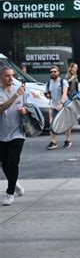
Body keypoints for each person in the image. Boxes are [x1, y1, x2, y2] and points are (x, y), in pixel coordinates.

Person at [0, 66, 27, 206]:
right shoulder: (14, 92)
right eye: (7, 76)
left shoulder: (21, 90)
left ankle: (9, 193)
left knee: (13, 162)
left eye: (12, 75)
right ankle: (14, 182)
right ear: (1, 78)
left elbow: (30, 106)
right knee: (4, 163)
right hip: (2, 134)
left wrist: (25, 110)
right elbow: (1, 108)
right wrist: (16, 95)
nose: (11, 78)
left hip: (18, 132)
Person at [45, 65, 70, 150]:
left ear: (58, 72)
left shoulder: (63, 82)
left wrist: (61, 103)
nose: (53, 73)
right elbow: (47, 94)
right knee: (52, 123)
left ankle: (68, 140)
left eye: (54, 71)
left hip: (64, 104)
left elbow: (64, 93)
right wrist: (47, 95)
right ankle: (53, 142)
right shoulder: (48, 83)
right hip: (53, 105)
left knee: (66, 123)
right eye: (51, 72)